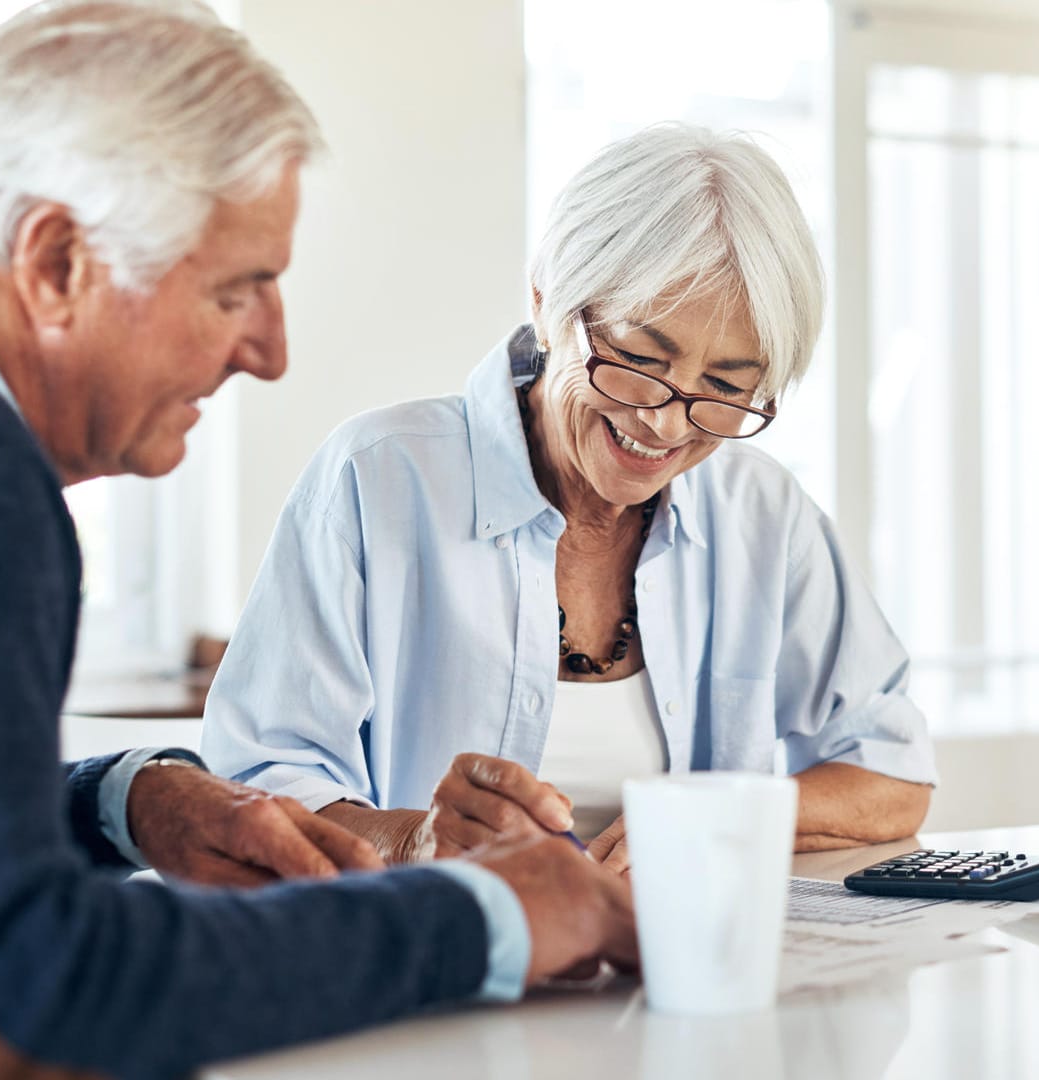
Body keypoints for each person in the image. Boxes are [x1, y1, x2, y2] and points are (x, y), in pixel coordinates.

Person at [0, 4, 632, 1078]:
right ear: (58, 262)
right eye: (236, 289)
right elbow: (13, 1000)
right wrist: (480, 916)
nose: (271, 350)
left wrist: (126, 798)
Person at [202, 124, 937, 870]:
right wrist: (412, 841)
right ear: (549, 302)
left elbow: (891, 770)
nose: (665, 422)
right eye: (640, 359)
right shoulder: (378, 480)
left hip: (689, 965)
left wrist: (717, 818)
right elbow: (254, 788)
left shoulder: (763, 513)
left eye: (722, 388)